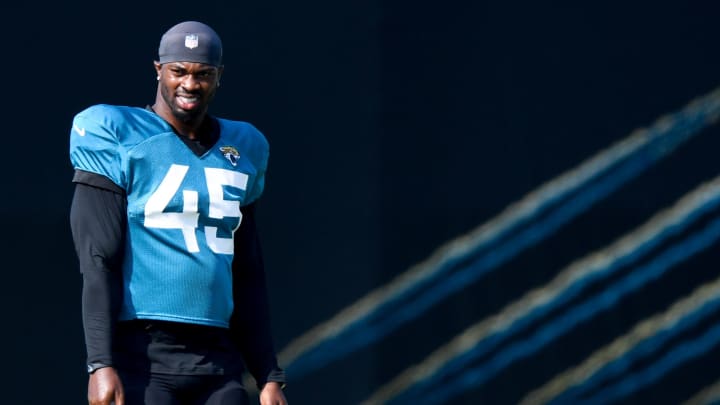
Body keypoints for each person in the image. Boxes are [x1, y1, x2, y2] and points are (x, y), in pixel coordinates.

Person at [69, 21, 288, 405]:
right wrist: (100, 363)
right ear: (159, 70)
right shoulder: (117, 131)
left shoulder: (244, 147)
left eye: (203, 74)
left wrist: (268, 375)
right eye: (179, 71)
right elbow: (98, 258)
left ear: (219, 77)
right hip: (143, 353)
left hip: (218, 358)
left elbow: (247, 269)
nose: (190, 84)